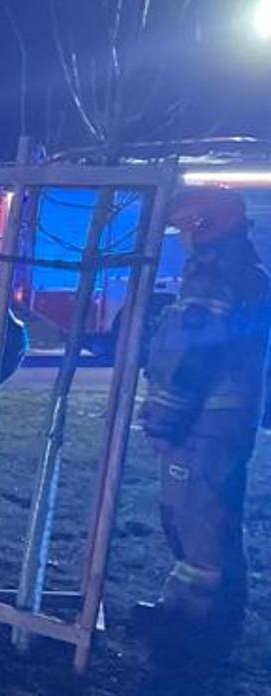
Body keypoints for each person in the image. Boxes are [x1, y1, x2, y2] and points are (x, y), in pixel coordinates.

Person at [134, 186, 269, 662]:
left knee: (201, 522)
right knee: (197, 520)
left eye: (183, 229)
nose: (181, 240)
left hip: (206, 426)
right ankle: (188, 611)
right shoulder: (235, 275)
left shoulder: (217, 280)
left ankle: (201, 631)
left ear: (202, 227)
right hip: (216, 424)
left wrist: (164, 422)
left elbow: (190, 358)